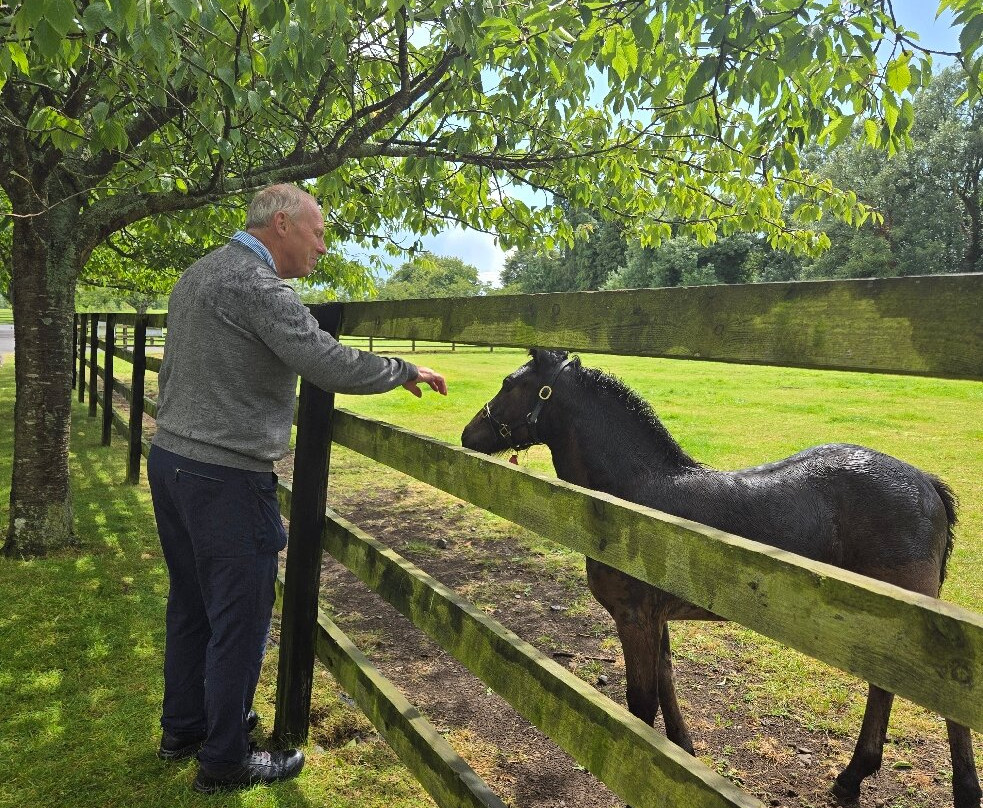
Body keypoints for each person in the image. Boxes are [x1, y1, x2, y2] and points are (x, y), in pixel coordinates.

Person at [148, 183, 447, 794]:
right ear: (281, 224)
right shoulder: (260, 288)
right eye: (317, 233)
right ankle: (225, 759)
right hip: (225, 476)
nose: (322, 246)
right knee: (241, 617)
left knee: (193, 602)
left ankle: (184, 727)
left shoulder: (199, 273)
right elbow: (326, 361)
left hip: (172, 461)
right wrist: (403, 369)